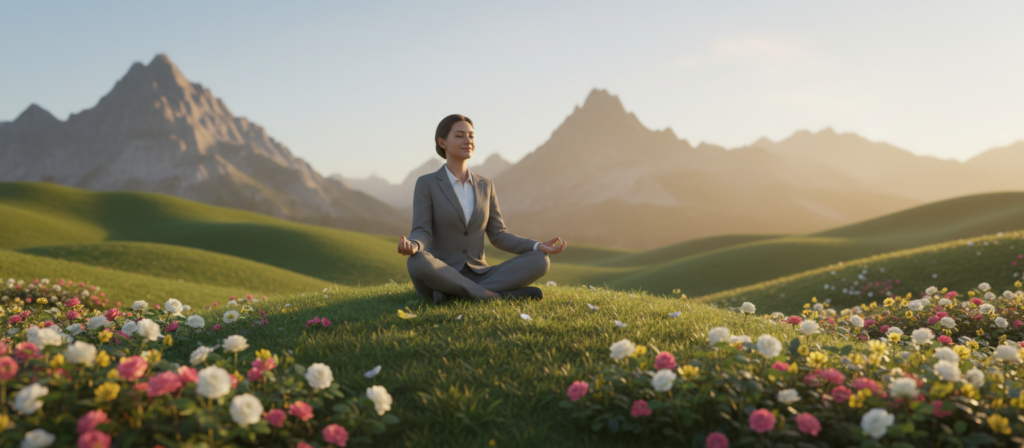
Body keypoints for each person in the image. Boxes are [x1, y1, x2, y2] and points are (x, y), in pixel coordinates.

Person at [398, 114, 567, 304]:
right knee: (416, 261)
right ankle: (490, 295)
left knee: (540, 260)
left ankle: (453, 294)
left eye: (471, 136)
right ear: (442, 142)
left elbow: (498, 235)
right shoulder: (426, 183)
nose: (468, 140)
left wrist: (537, 246)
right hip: (442, 273)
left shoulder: (486, 185)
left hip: (481, 273)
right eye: (460, 135)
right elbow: (423, 230)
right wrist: (414, 245)